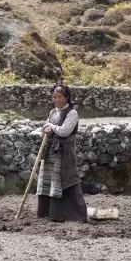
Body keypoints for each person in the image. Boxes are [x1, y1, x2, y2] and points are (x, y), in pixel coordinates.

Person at [36, 83, 88, 223]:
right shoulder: (53, 113)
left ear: (67, 97)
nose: (57, 100)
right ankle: (48, 213)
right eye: (54, 97)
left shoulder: (72, 113)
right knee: (49, 181)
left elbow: (64, 131)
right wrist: (46, 129)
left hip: (65, 153)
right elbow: (47, 127)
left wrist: (50, 126)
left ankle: (69, 214)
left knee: (65, 180)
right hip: (51, 151)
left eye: (60, 97)